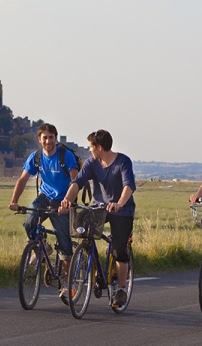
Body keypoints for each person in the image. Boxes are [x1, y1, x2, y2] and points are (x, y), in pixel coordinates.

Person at [59, 129, 135, 307]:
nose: (89, 150)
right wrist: (66, 200)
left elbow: (128, 186)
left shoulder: (123, 162)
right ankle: (86, 260)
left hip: (122, 210)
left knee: (118, 250)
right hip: (99, 207)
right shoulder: (92, 163)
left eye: (91, 147)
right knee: (80, 228)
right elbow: (77, 182)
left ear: (99, 147)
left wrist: (120, 203)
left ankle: (122, 289)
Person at [8, 123, 79, 297]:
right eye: (44, 138)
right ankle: (42, 248)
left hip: (63, 200)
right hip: (44, 197)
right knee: (29, 223)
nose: (48, 141)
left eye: (51, 137)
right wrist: (14, 201)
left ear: (55, 138)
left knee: (64, 244)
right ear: (39, 140)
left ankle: (66, 282)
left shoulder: (66, 156)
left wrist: (67, 202)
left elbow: (76, 181)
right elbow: (22, 179)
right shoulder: (36, 157)